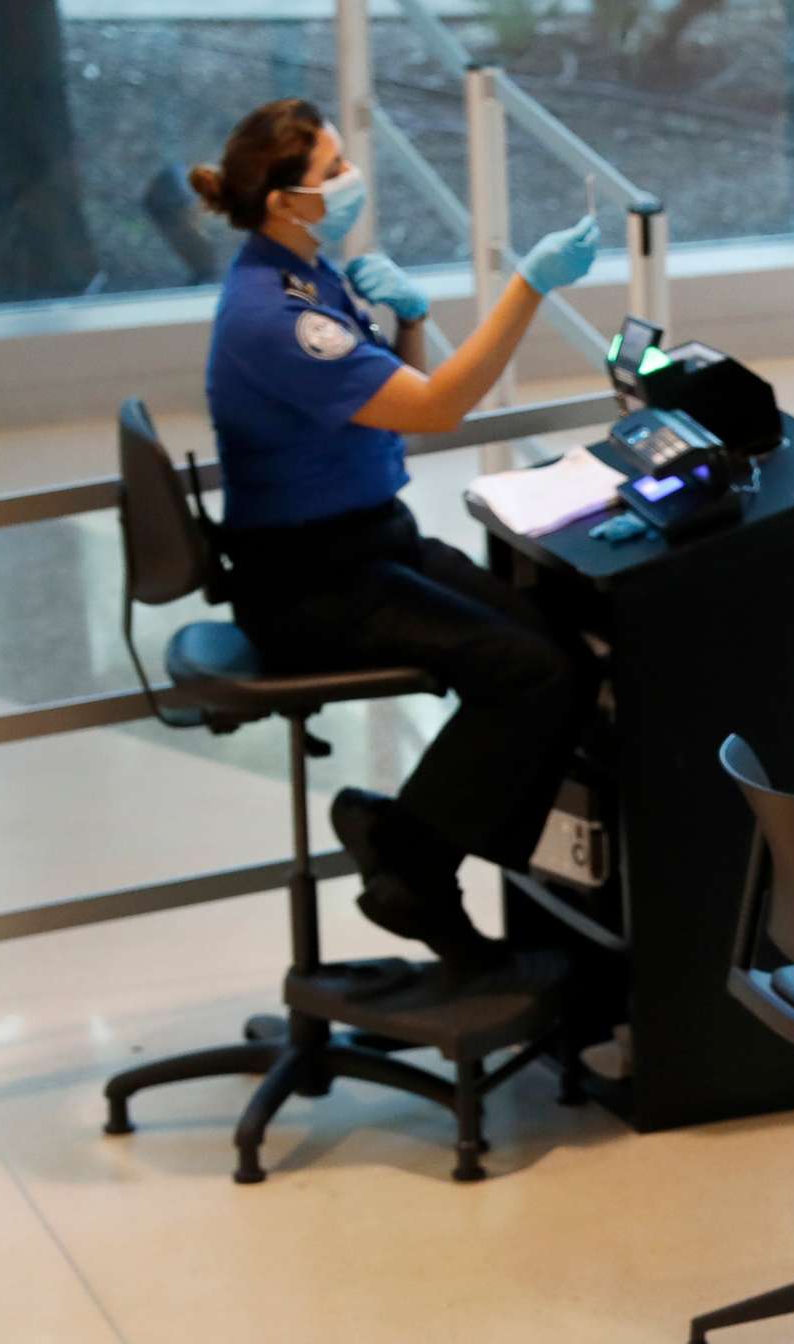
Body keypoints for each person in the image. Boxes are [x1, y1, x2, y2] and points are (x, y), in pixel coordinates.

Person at [190, 99, 603, 967]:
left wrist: (409, 321)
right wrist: (528, 286)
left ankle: (408, 834)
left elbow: (385, 407)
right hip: (312, 582)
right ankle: (413, 860)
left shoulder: (306, 273)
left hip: (370, 540)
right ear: (282, 202)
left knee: (559, 648)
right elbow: (441, 407)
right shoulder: (278, 318)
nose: (350, 181)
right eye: (332, 171)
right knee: (530, 676)